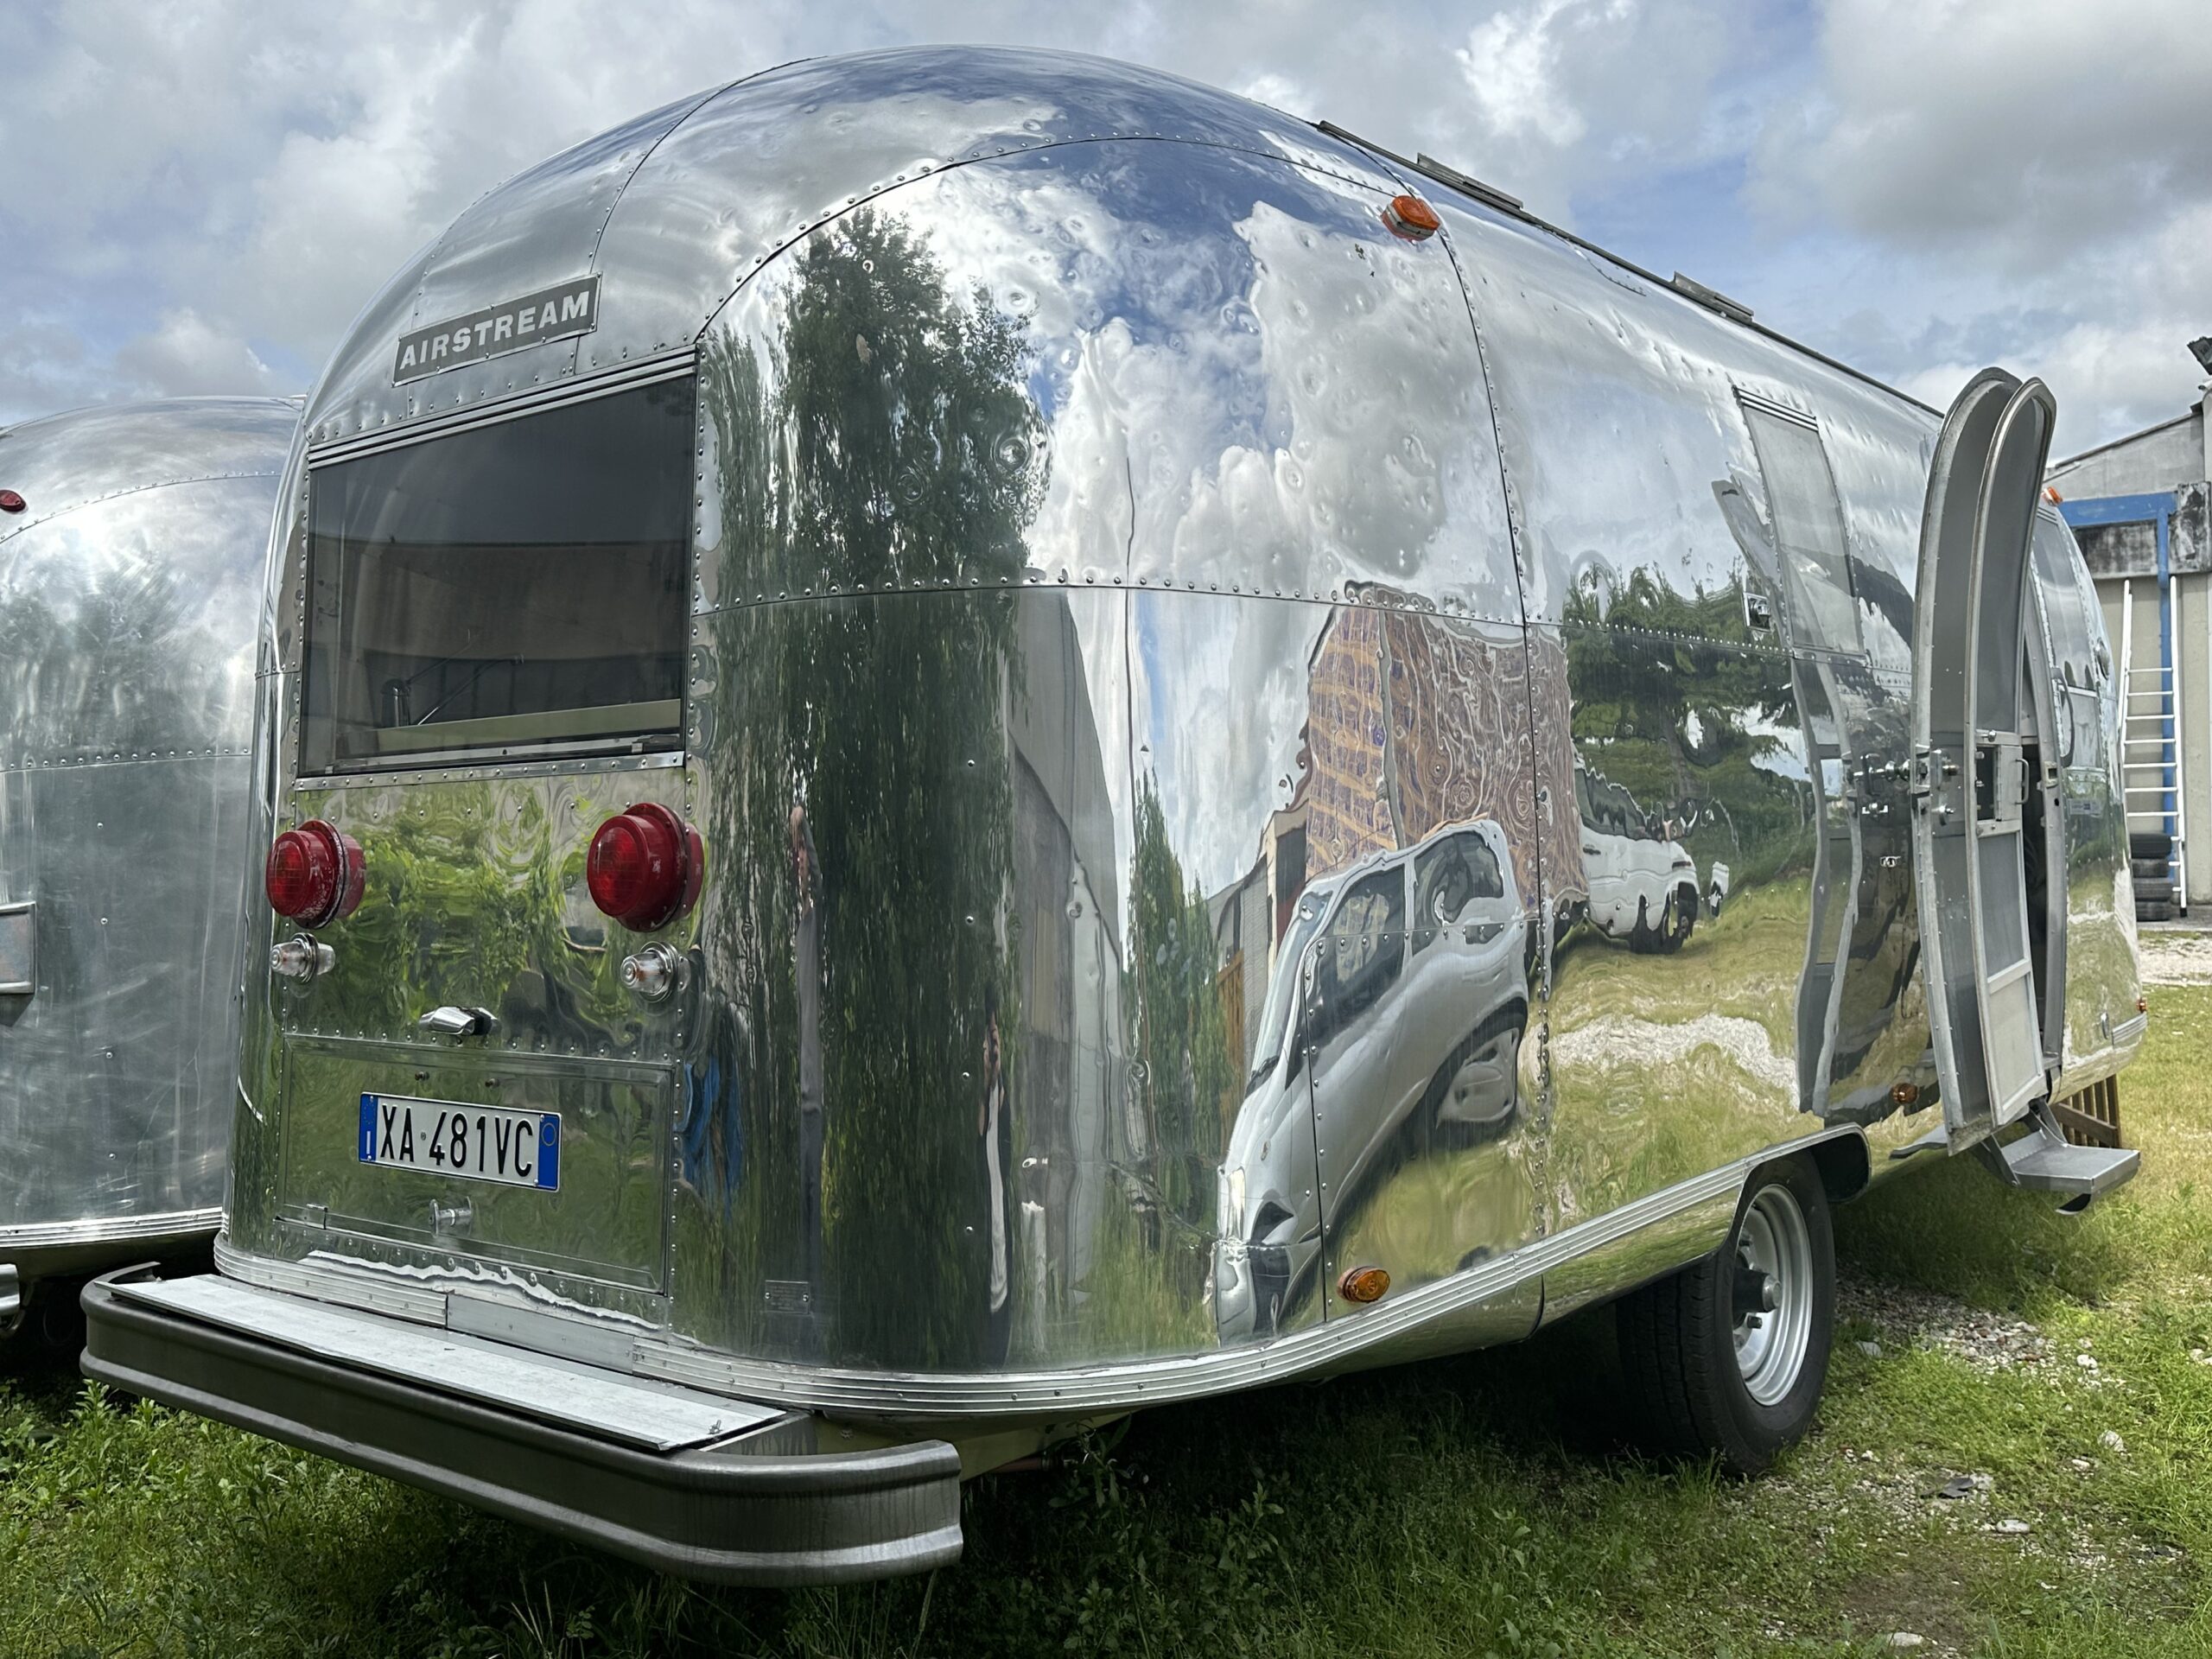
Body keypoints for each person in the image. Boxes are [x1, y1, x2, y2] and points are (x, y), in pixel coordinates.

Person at [978, 983, 1012, 1365]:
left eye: (996, 1037)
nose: (994, 1046)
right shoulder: (978, 1096)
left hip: (1000, 1227)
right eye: (988, 1040)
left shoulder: (1001, 1092)